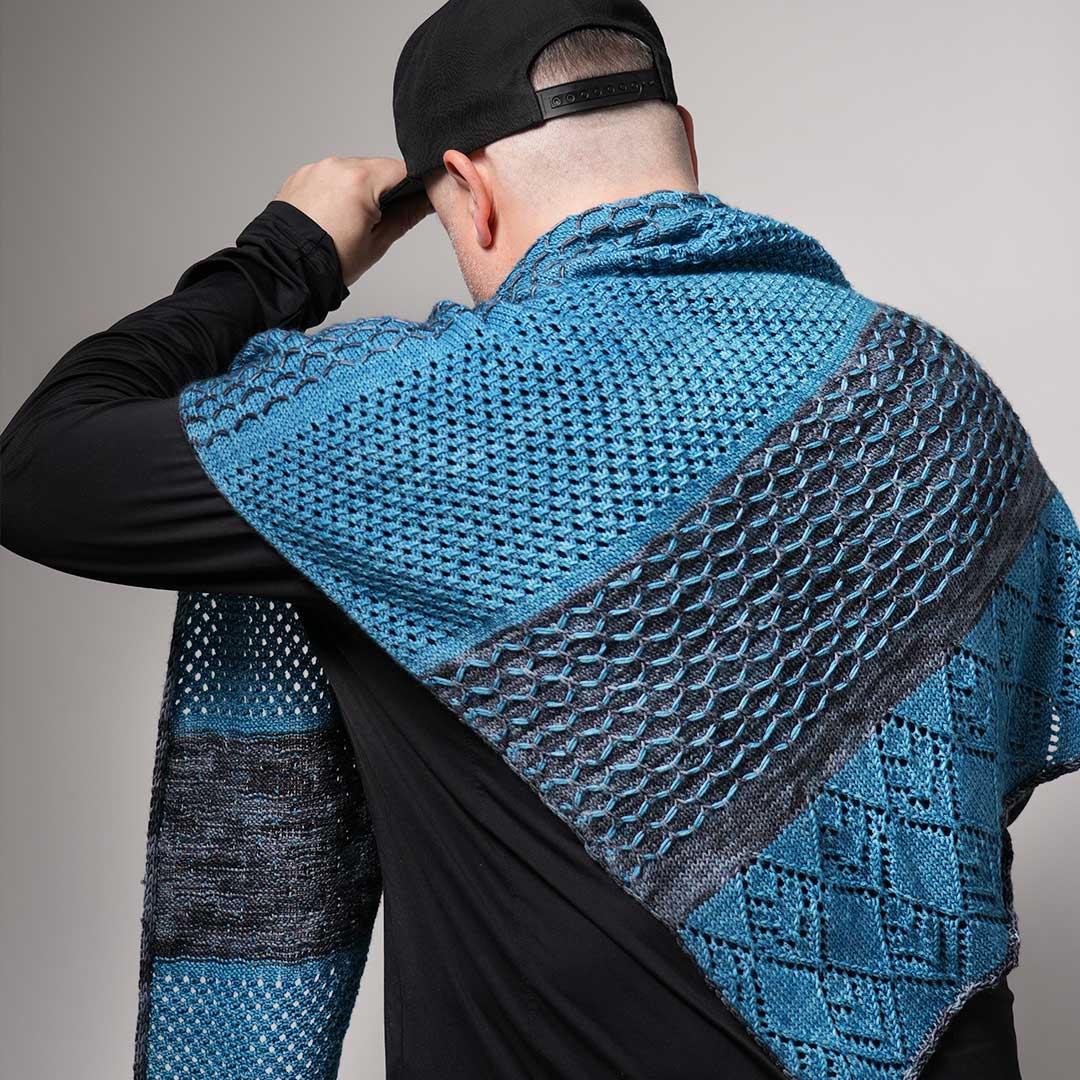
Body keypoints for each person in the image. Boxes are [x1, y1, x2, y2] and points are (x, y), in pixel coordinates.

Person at [3, 2, 1071, 1078]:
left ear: (467, 191)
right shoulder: (923, 383)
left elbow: (40, 467)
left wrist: (284, 255)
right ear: (685, 139)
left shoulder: (405, 422)